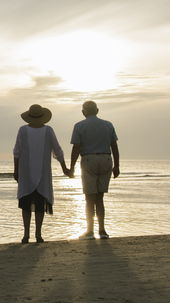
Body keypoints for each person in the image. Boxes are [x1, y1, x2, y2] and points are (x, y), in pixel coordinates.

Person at [13, 104, 70, 244]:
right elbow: (58, 151)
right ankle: (38, 234)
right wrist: (65, 168)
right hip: (43, 172)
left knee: (25, 202)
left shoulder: (23, 130)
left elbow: (16, 152)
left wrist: (16, 170)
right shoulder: (48, 131)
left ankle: (26, 234)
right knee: (40, 202)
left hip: (25, 171)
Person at [69, 100, 120, 240]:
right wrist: (117, 165)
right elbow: (114, 146)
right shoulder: (108, 124)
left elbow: (77, 147)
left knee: (89, 198)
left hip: (89, 159)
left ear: (83, 112)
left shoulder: (79, 126)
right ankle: (102, 230)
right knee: (100, 197)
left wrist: (72, 167)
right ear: (97, 111)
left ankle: (90, 231)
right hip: (106, 159)